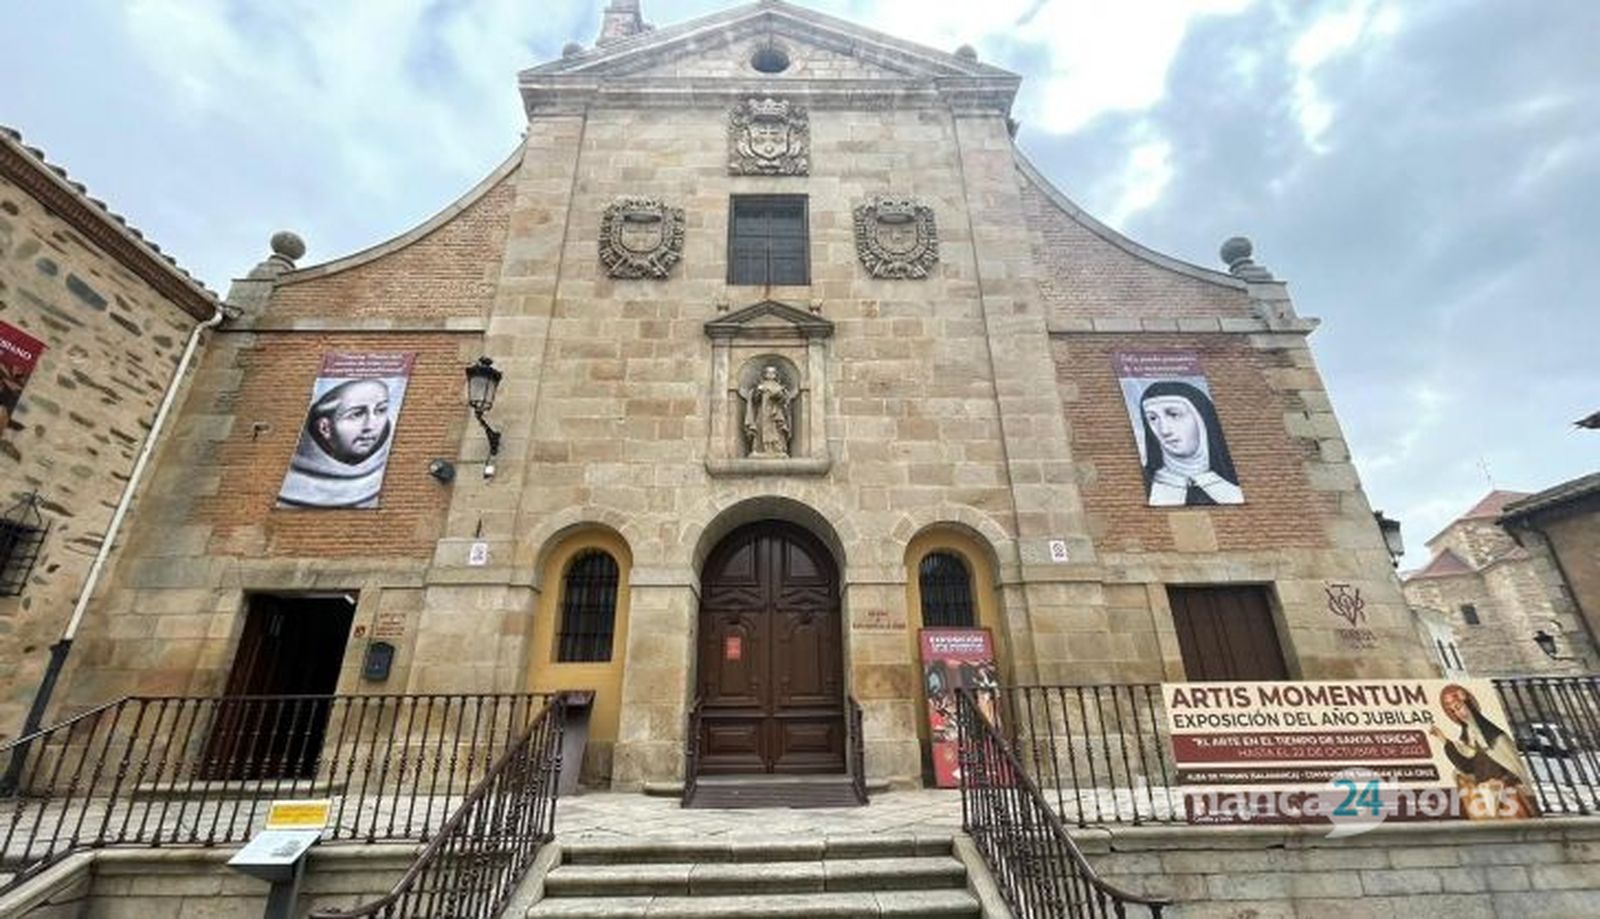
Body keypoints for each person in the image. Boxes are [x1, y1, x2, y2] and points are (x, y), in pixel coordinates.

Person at [277, 378, 395, 509]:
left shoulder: (388, 472)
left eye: (381, 410)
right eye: (356, 414)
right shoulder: (292, 485)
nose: (371, 426)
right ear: (325, 428)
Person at [1430, 684, 1537, 819]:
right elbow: (1467, 765)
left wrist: (1502, 780)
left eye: (1458, 707)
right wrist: (1443, 739)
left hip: (1503, 786)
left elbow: (1512, 765)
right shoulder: (1468, 735)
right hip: (1484, 788)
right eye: (1453, 711)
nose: (1458, 714)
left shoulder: (1495, 735)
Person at [1137, 380, 1243, 506]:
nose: (1164, 430)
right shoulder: (1145, 483)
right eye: (1153, 419)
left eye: (1174, 414)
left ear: (1202, 419)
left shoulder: (1233, 481)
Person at [743, 365, 793, 458]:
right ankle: (759, 448)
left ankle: (777, 449)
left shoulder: (779, 387)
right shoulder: (760, 386)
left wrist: (779, 395)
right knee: (760, 428)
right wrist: (758, 392)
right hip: (762, 412)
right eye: (768, 372)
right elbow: (754, 400)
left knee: (776, 430)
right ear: (764, 374)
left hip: (776, 413)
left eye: (773, 373)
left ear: (776, 375)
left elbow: (785, 401)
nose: (770, 374)